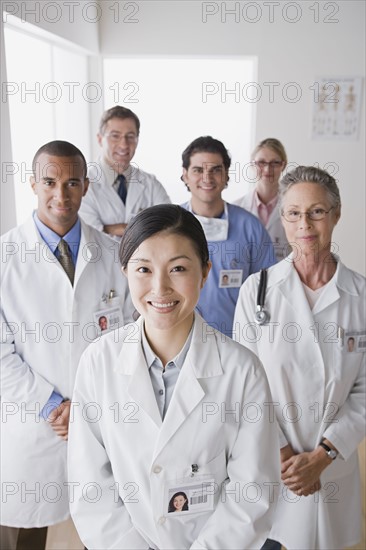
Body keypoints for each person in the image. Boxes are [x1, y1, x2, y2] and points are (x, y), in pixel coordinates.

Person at [68, 204, 280, 550]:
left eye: (178, 268)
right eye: (144, 269)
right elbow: (90, 486)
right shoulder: (98, 363)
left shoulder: (243, 371)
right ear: (125, 273)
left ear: (205, 272)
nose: (160, 287)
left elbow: (251, 493)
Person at [0, 141, 133, 550]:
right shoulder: (5, 257)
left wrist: (86, 407)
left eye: (72, 182)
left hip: (99, 420)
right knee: (31, 534)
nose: (61, 194)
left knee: (98, 530)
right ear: (32, 184)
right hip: (35, 424)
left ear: (86, 186)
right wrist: (53, 405)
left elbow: (129, 339)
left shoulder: (113, 255)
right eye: (50, 182)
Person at [234, 166, 366, 550]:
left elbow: (364, 390)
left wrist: (324, 455)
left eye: (317, 212)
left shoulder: (360, 296)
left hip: (333, 464)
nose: (304, 224)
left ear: (336, 215)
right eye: (293, 213)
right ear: (282, 218)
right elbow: (244, 387)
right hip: (273, 464)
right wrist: (286, 456)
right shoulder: (256, 292)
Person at [180, 136, 276, 337]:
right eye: (198, 170)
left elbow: (269, 291)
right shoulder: (171, 226)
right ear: (185, 175)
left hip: (235, 342)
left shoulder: (250, 228)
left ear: (226, 176)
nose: (207, 178)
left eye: (215, 170)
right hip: (179, 341)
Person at [79, 105, 170, 238]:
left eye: (130, 136)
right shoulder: (83, 184)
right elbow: (90, 235)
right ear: (100, 139)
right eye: (115, 136)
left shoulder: (151, 184)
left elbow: (169, 227)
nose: (124, 145)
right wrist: (145, 227)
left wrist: (110, 229)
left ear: (137, 140)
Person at [234, 138, 289, 261]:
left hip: (283, 276)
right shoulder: (237, 208)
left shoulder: (293, 207)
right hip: (248, 278)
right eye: (261, 163)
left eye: (274, 163)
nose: (267, 169)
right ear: (253, 164)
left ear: (283, 165)